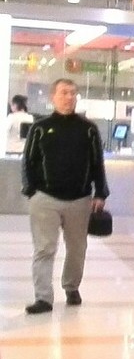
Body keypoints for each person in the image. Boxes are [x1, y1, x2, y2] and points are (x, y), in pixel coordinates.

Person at [21, 79, 109, 314]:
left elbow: (97, 163)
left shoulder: (88, 128)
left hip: (79, 199)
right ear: (53, 97)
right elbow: (28, 161)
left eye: (73, 93)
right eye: (64, 93)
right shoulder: (39, 127)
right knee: (44, 249)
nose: (69, 97)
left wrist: (101, 192)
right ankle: (43, 298)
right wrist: (31, 190)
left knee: (77, 247)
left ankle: (71, 286)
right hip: (45, 198)